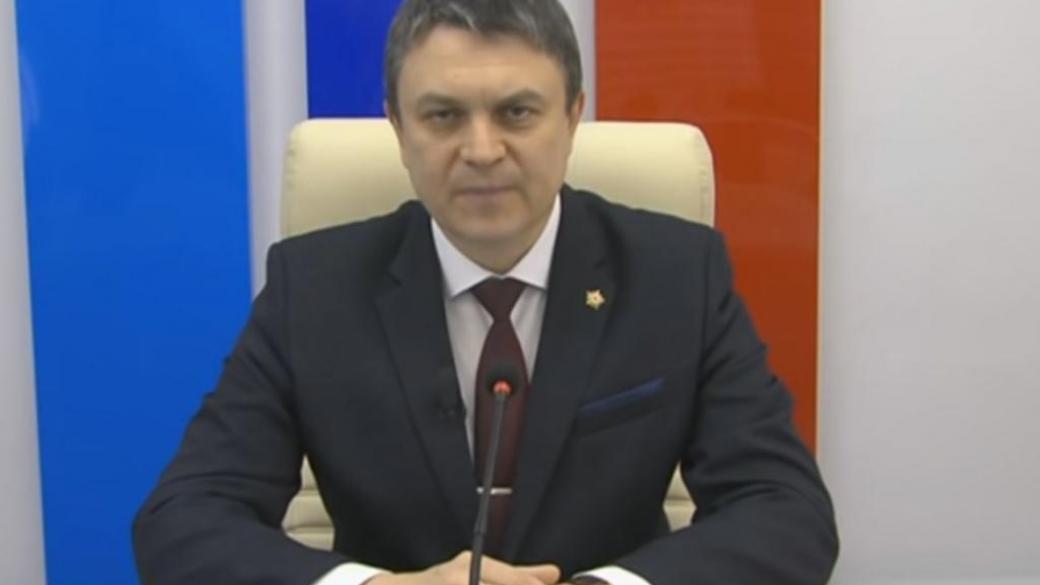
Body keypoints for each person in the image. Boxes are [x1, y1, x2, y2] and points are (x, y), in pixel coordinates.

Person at [132, 1, 838, 584]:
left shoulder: (677, 275)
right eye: (443, 116)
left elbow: (787, 512)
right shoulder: (313, 288)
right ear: (398, 128)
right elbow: (184, 518)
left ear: (573, 118)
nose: (481, 150)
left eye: (517, 112)